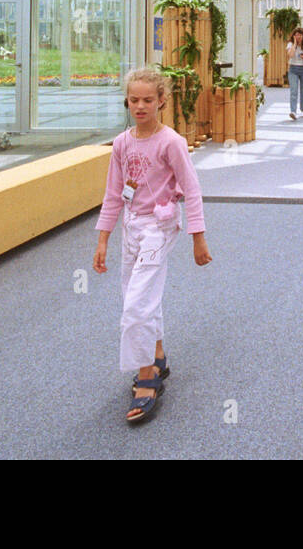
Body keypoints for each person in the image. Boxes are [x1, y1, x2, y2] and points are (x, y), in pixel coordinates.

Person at [93, 67, 212, 424]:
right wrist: (103, 239)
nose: (140, 106)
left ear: (162, 100)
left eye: (148, 99)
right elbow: (114, 195)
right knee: (136, 293)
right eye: (134, 99)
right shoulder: (122, 143)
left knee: (137, 305)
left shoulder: (171, 142)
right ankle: (157, 353)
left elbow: (191, 190)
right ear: (126, 101)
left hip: (159, 230)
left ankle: (147, 377)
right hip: (133, 228)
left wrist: (198, 236)